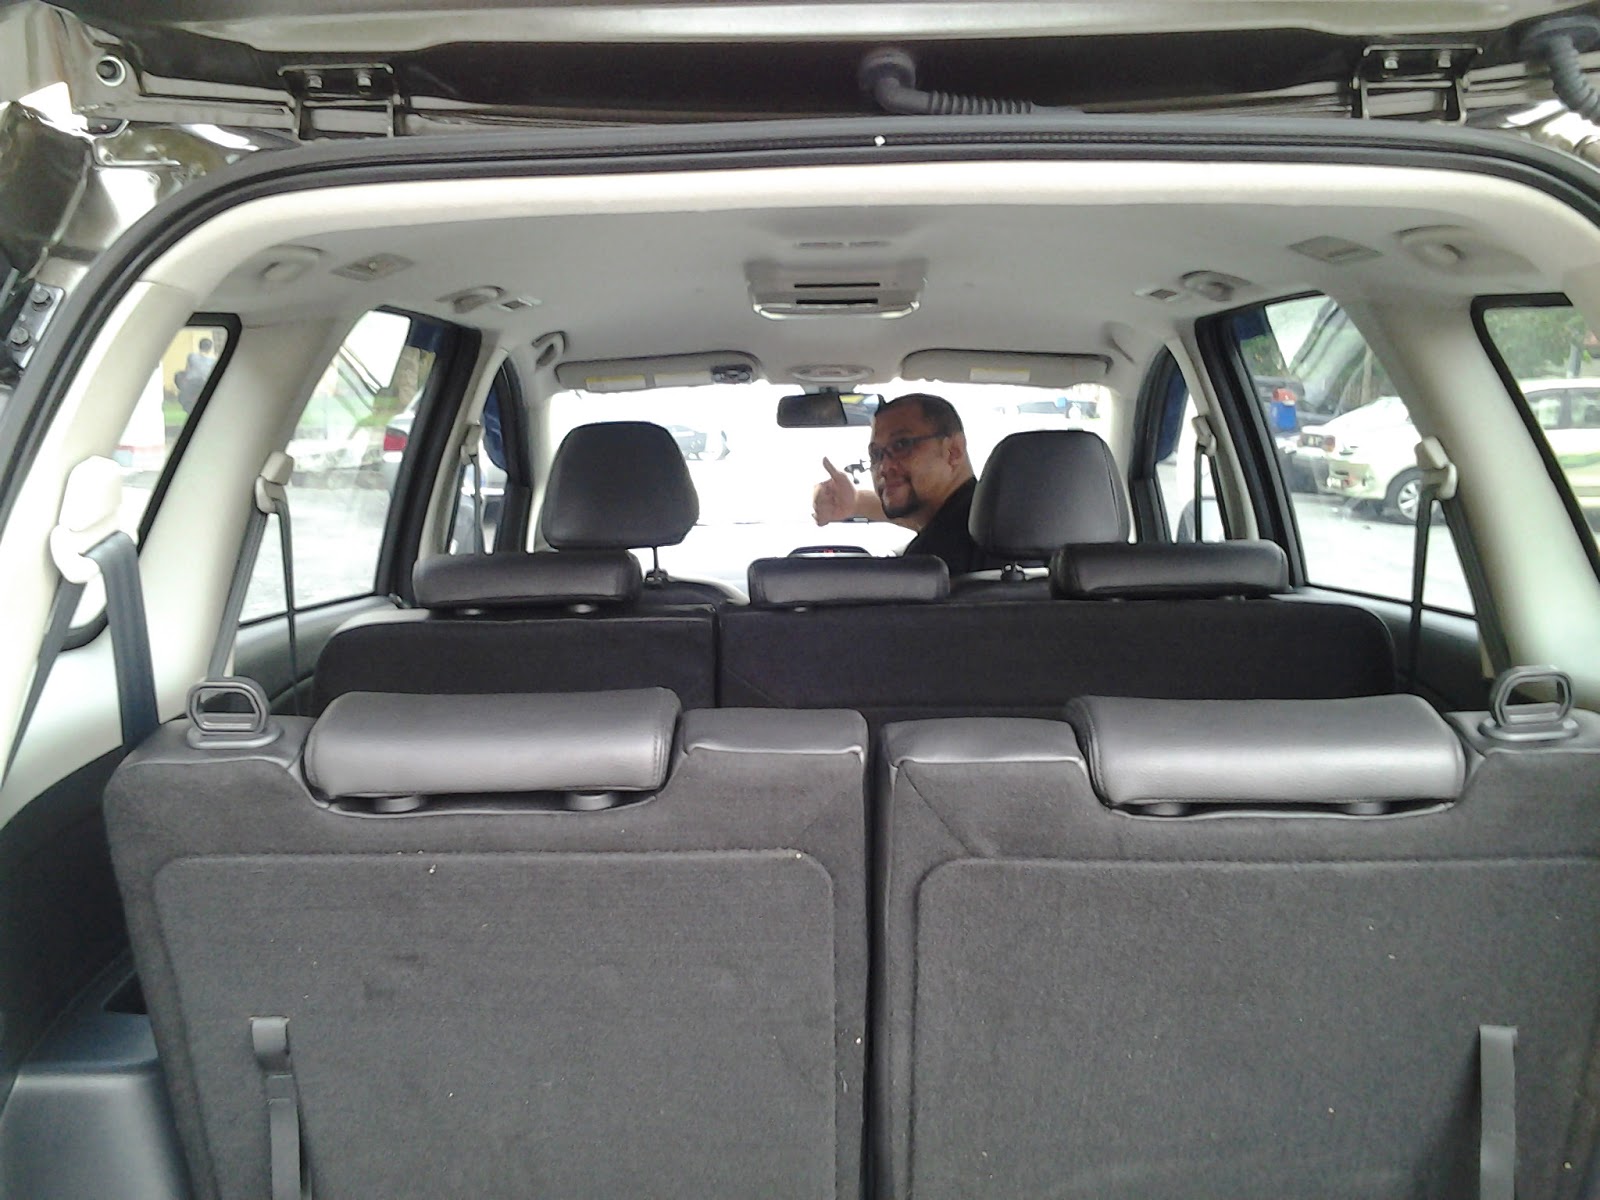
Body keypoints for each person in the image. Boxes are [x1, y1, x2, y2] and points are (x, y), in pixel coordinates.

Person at [810, 391, 1004, 576]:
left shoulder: (932, 563)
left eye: (901, 445)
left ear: (953, 451)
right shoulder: (986, 524)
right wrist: (856, 503)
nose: (884, 467)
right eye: (876, 454)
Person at [174, 336, 217, 414]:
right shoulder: (213, 360)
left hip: (192, 383)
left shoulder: (192, 356)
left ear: (199, 346)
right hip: (204, 384)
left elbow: (187, 369)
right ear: (210, 348)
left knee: (185, 399)